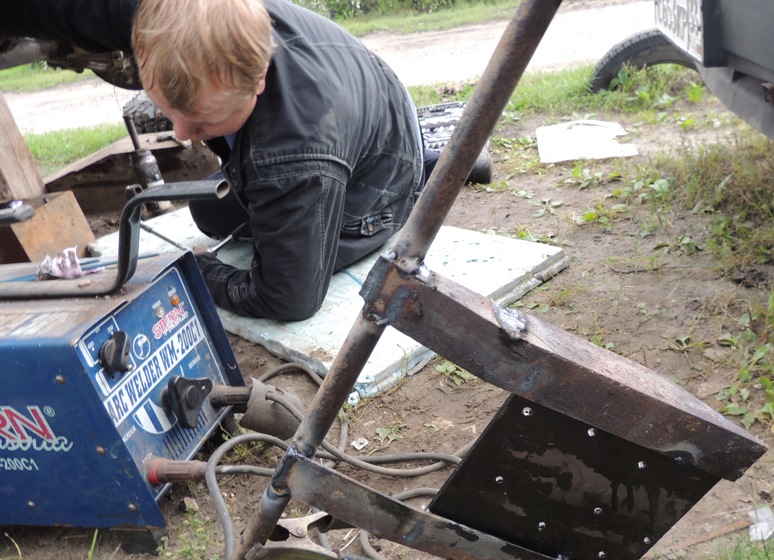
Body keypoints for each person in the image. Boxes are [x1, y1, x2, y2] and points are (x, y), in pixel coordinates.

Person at [8, 0, 480, 321]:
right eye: (170, 113)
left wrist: (192, 270)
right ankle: (435, 163)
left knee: (272, 256)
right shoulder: (195, 13)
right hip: (373, 124)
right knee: (207, 209)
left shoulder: (291, 160)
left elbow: (290, 300)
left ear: (257, 81)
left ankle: (420, 182)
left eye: (200, 120)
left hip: (368, 189)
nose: (181, 134)